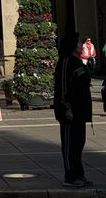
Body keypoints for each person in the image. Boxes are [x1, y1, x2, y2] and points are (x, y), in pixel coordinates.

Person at [54, 32, 93, 188]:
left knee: (79, 143)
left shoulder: (77, 62)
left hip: (80, 111)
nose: (80, 45)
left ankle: (79, 173)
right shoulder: (65, 62)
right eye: (78, 42)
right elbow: (63, 87)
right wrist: (66, 107)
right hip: (69, 112)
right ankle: (70, 176)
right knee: (70, 145)